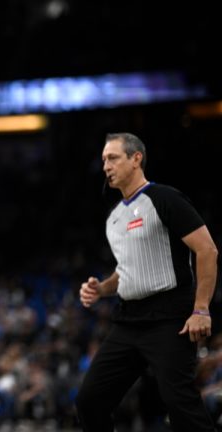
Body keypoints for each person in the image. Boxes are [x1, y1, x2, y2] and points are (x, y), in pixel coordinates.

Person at [76, 132, 218, 431]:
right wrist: (102, 288)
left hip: (169, 318)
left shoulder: (164, 198)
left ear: (136, 158)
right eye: (103, 160)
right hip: (128, 321)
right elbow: (127, 270)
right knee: (90, 400)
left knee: (181, 406)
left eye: (112, 158)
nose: (106, 166)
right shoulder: (114, 217)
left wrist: (201, 309)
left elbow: (207, 249)